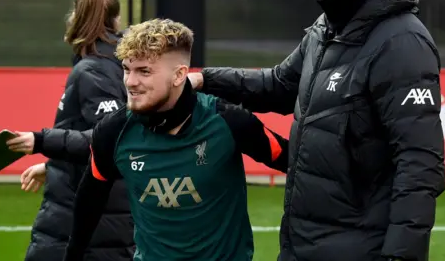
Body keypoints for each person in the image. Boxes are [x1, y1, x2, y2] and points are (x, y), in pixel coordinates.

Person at [188, 0, 445, 261]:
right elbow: (278, 86)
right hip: (300, 247)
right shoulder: (327, 29)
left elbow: (420, 165)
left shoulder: (401, 41)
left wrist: (400, 257)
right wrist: (203, 80)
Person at [24, 19, 289, 261]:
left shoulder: (228, 121)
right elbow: (90, 198)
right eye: (127, 69)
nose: (130, 82)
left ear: (178, 75)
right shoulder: (114, 131)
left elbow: (294, 164)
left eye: (144, 71)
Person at [6, 0, 135, 261]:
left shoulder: (94, 69)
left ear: (75, 16)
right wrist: (54, 164)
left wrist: (41, 141)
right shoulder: (114, 65)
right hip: (101, 215)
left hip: (87, 220)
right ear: (116, 19)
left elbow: (108, 141)